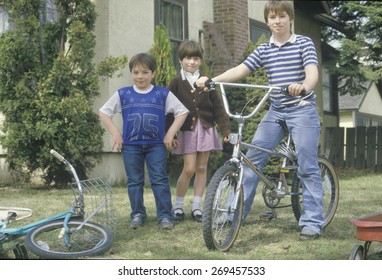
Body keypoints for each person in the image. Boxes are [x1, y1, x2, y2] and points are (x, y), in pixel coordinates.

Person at [196, 0, 323, 240]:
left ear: (290, 18)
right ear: (267, 21)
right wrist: (211, 80)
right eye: (273, 17)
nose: (278, 21)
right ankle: (236, 214)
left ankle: (313, 222)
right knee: (252, 161)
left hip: (301, 108)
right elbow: (241, 69)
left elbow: (312, 71)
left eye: (282, 16)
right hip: (275, 110)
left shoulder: (303, 43)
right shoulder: (264, 49)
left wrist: (304, 86)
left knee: (307, 166)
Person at [99, 53, 189, 230]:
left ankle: (164, 215)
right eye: (136, 72)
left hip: (156, 145)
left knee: (159, 180)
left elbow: (182, 112)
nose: (140, 76)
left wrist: (170, 133)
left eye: (145, 72)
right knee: (134, 181)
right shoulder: (123, 94)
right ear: (131, 73)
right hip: (131, 146)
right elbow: (104, 112)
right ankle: (138, 214)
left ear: (153, 73)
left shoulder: (162, 94)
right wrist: (116, 134)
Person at [167, 40, 230, 222]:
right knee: (189, 169)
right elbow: (169, 110)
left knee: (202, 168)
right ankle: (178, 206)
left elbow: (218, 108)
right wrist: (171, 133)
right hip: (187, 131)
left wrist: (225, 129)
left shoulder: (207, 82)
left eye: (196, 58)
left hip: (206, 130)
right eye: (188, 58)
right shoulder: (177, 82)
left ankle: (196, 207)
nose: (192, 62)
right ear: (181, 60)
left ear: (200, 61)